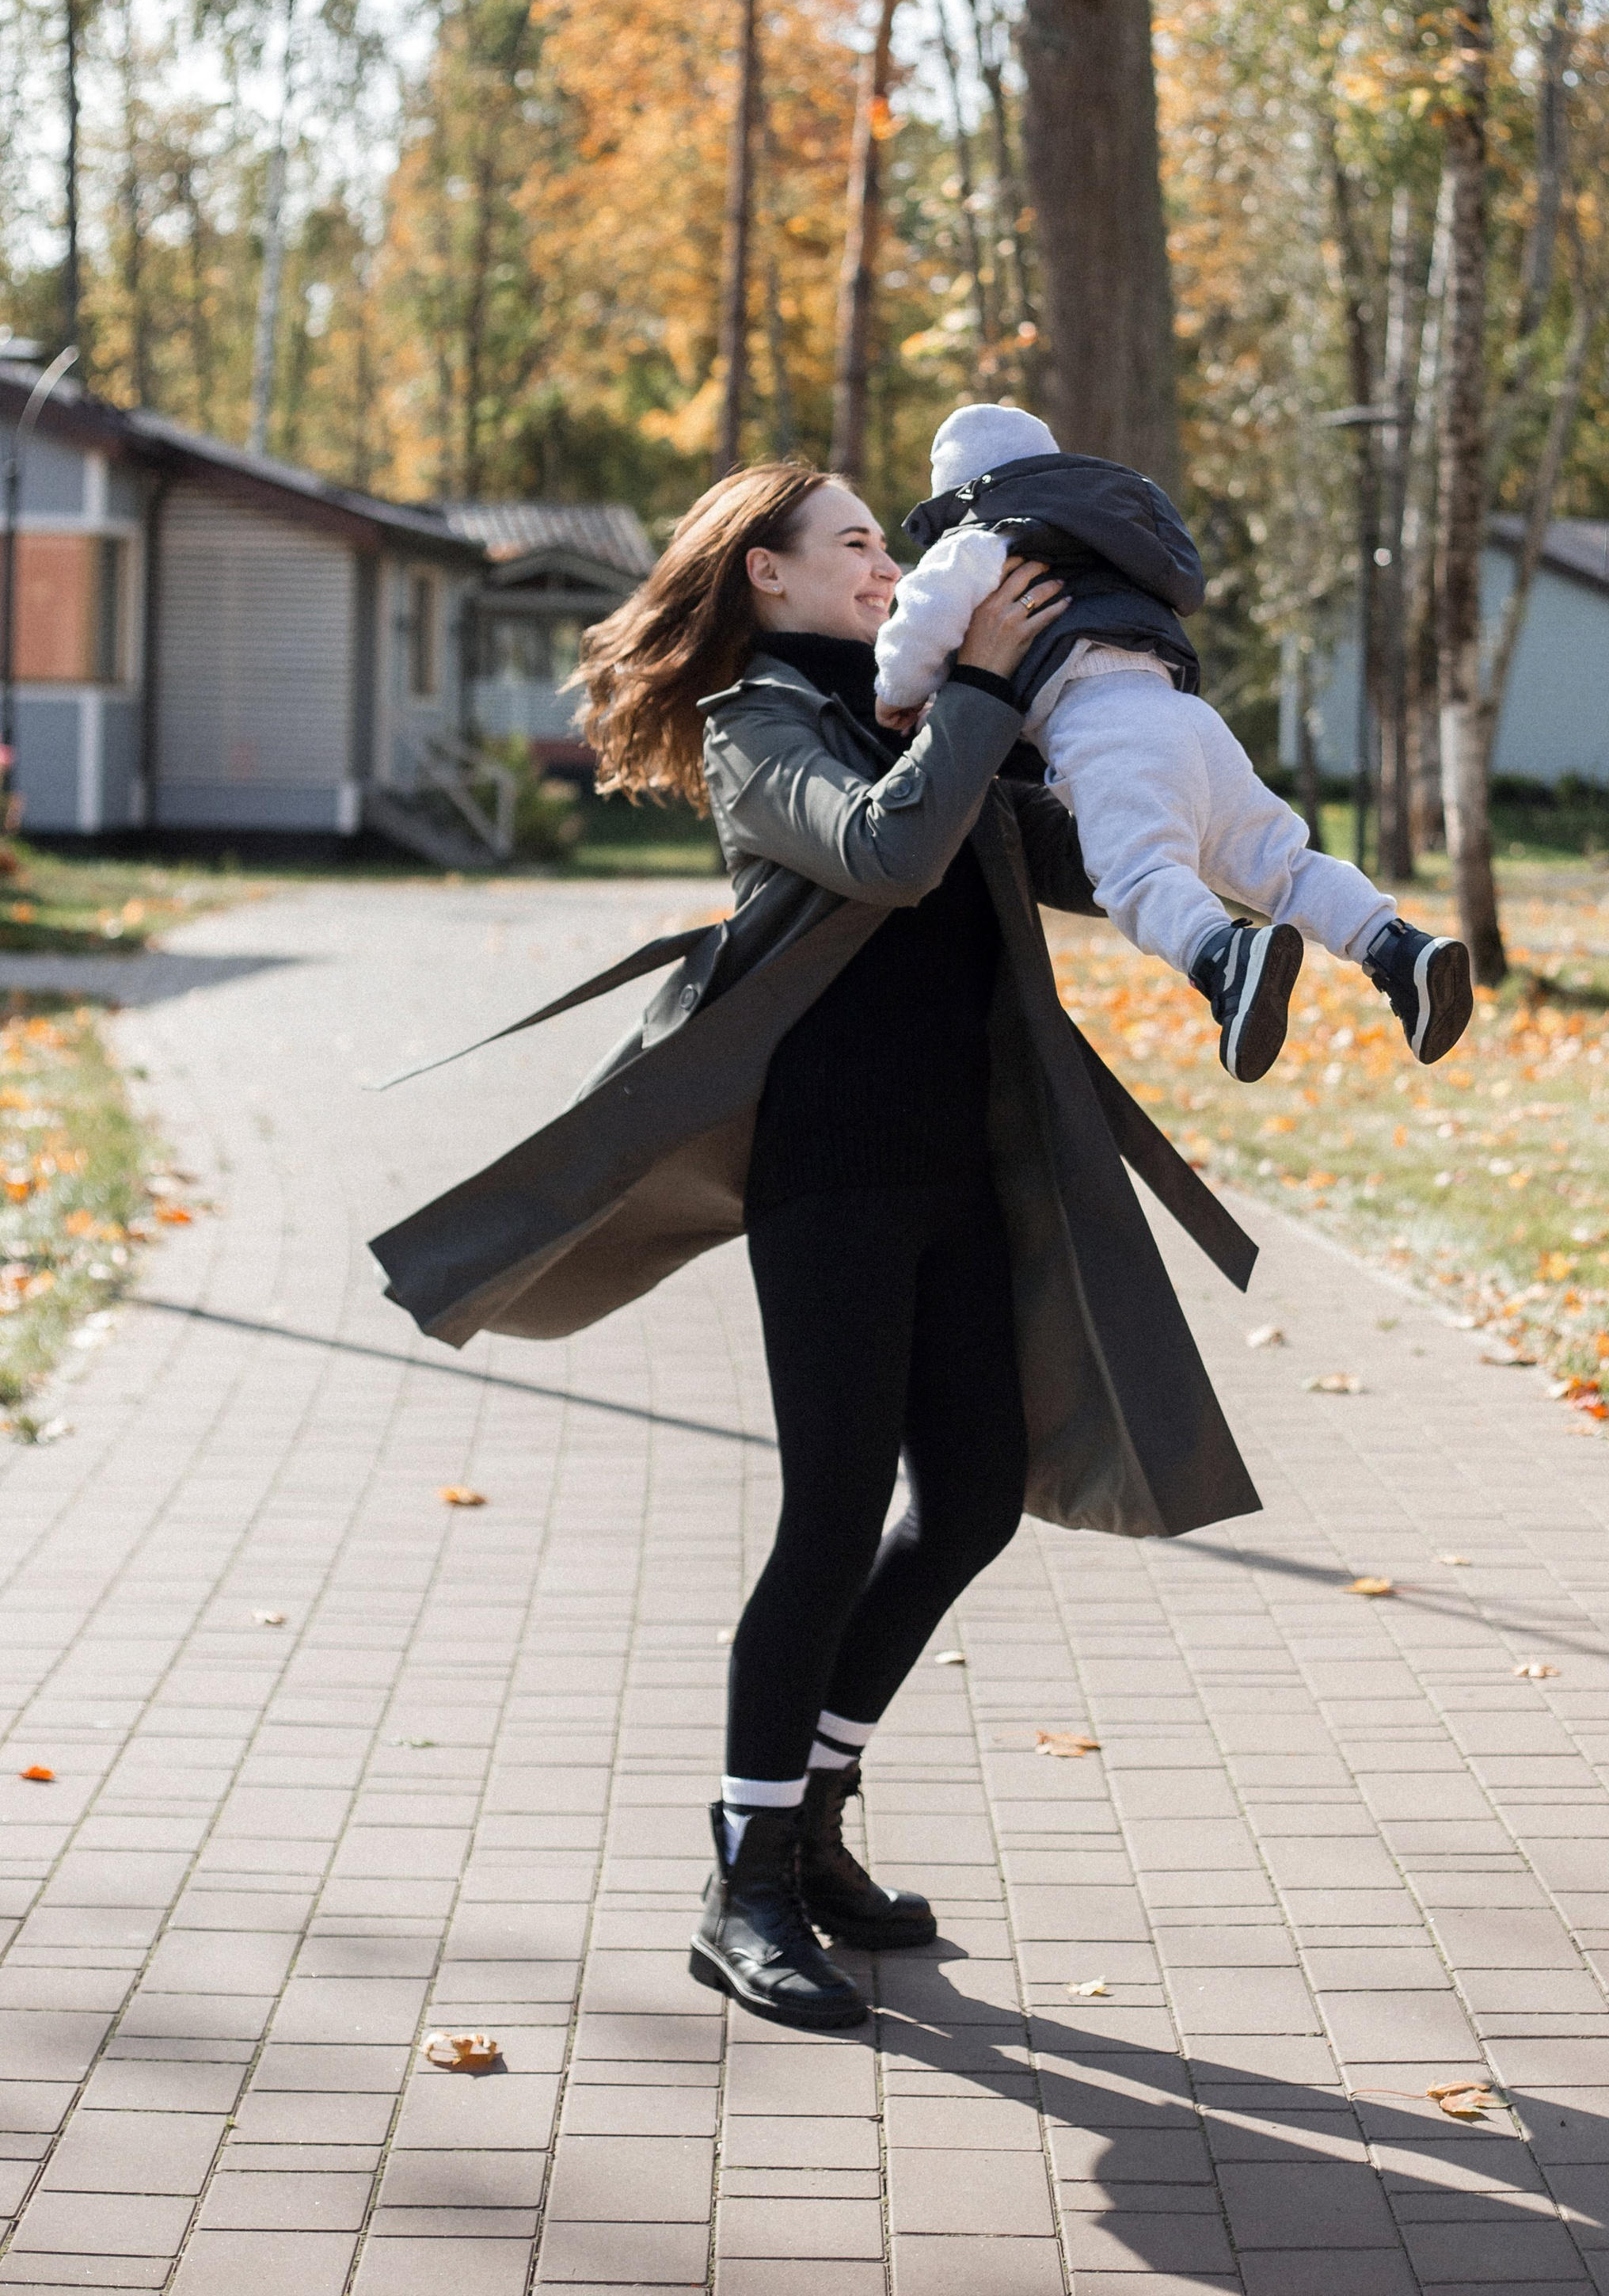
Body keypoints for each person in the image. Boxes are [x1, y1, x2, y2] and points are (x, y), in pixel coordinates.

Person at [371, 460, 1264, 2039]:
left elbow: (1057, 857)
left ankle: (814, 1811)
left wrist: (1159, 767)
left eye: (882, 545)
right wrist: (981, 692)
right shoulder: (761, 726)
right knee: (834, 1515)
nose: (885, 564)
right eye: (853, 542)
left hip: (963, 1163)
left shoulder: (932, 710)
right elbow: (886, 851)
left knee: (972, 1497)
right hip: (831, 1174)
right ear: (766, 575)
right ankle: (745, 1881)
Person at [876, 402, 1473, 1079]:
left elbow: (924, 613)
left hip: (1101, 722)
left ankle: (1220, 955)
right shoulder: (1103, 532)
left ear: (960, 494)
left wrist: (897, 689)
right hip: (1186, 716)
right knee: (1280, 860)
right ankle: (1398, 948)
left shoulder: (985, 534)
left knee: (1137, 872)